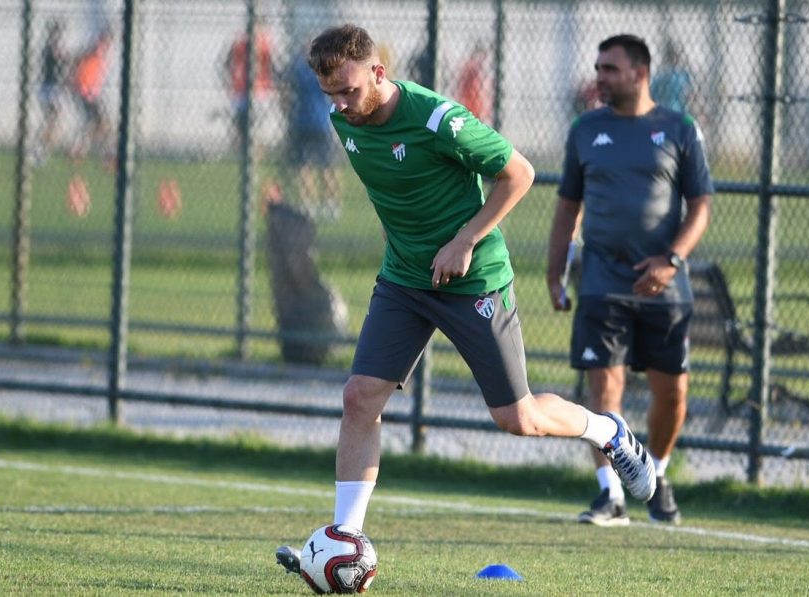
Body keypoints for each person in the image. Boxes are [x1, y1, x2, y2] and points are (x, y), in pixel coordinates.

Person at [275, 23, 656, 581]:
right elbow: (400, 191)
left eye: (349, 91)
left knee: (518, 417)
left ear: (378, 72)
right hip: (405, 280)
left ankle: (609, 433)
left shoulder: (437, 119)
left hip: (473, 280)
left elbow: (519, 174)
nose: (340, 105)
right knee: (359, 397)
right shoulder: (343, 118)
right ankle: (345, 540)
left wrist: (465, 240)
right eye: (330, 93)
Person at [547, 34, 713, 526]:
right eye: (598, 68)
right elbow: (567, 208)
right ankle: (611, 493)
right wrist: (555, 273)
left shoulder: (680, 128)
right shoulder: (584, 130)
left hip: (665, 287)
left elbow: (701, 206)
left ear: (640, 74)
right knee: (604, 393)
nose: (599, 77)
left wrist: (671, 261)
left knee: (673, 394)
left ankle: (655, 475)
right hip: (601, 281)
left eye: (610, 69)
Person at [282, 43, 340, 218]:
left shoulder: (299, 68)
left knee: (305, 166)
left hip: (303, 121)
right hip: (322, 122)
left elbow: (286, 89)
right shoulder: (324, 69)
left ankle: (308, 203)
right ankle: (331, 204)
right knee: (327, 165)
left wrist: (288, 110)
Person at [221, 21, 275, 149]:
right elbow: (227, 62)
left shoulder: (263, 41)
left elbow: (270, 65)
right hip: (241, 89)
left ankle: (254, 151)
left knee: (256, 125)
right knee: (241, 125)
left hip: (259, 90)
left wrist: (271, 85)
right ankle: (242, 150)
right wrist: (229, 81)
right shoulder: (240, 42)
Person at [69, 29, 113, 162]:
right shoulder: (97, 49)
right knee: (100, 123)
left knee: (97, 124)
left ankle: (81, 149)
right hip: (85, 92)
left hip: (91, 93)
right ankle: (98, 152)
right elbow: (81, 57)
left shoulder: (102, 53)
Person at [36, 19, 68, 165]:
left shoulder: (53, 47)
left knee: (53, 122)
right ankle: (40, 149)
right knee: (52, 121)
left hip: (52, 88)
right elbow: (60, 59)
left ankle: (42, 149)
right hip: (49, 88)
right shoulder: (50, 48)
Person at [649, 38, 692, 115]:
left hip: (661, 113)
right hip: (678, 112)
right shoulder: (682, 75)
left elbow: (651, 95)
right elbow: (687, 94)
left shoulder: (658, 76)